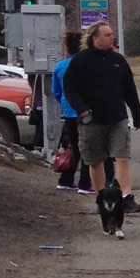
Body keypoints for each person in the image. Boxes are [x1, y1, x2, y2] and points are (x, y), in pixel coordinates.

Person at [64, 20, 140, 214]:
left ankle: (126, 197)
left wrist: (136, 113)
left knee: (122, 156)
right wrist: (82, 110)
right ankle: (102, 198)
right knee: (95, 161)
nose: (112, 37)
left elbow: (129, 89)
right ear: (95, 38)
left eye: (112, 34)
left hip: (117, 118)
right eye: (107, 35)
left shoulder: (118, 60)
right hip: (91, 120)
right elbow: (70, 89)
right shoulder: (80, 61)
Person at [51, 29, 89, 192]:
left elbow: (56, 91)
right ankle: (85, 182)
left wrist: (65, 103)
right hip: (86, 112)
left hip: (68, 112)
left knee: (71, 147)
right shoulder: (86, 65)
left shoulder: (60, 66)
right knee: (88, 147)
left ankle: (66, 179)